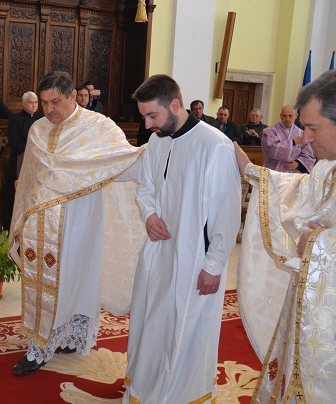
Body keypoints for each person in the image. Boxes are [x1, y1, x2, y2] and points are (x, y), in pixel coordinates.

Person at [9, 71, 145, 376]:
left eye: (55, 101)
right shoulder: (37, 130)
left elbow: (122, 164)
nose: (49, 109)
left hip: (79, 220)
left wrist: (158, 155)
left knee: (77, 277)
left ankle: (70, 335)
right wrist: (21, 219)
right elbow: (31, 178)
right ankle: (39, 347)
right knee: (41, 284)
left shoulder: (98, 127)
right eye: (44, 102)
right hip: (39, 223)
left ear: (73, 96)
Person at [123, 74, 241, 403]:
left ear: (175, 106)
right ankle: (144, 392)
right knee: (151, 325)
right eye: (144, 116)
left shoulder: (215, 145)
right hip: (158, 253)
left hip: (193, 261)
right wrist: (149, 215)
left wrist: (215, 265)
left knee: (185, 332)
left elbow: (227, 212)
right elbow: (145, 187)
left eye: (152, 116)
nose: (147, 125)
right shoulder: (158, 140)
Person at [236, 69, 336, 403]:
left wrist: (320, 243)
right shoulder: (327, 165)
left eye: (312, 128)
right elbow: (299, 192)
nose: (304, 139)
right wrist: (251, 171)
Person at [2, 91, 42, 230]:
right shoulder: (15, 119)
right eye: (31, 102)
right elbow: (14, 141)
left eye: (36, 102)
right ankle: (11, 226)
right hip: (19, 160)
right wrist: (30, 150)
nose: (34, 105)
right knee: (15, 194)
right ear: (24, 104)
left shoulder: (42, 119)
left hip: (37, 162)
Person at [261, 104, 316, 173]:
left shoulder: (302, 134)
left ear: (296, 116)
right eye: (284, 116)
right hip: (272, 171)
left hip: (292, 174)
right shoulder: (269, 132)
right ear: (280, 116)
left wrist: (298, 163)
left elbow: (309, 154)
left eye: (290, 116)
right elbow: (270, 148)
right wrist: (293, 142)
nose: (287, 119)